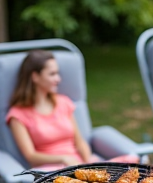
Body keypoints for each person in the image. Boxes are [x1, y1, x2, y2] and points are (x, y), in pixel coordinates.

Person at [6, 50, 139, 171]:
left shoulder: (63, 102)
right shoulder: (18, 114)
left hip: (79, 164)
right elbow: (31, 156)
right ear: (35, 77)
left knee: (134, 162)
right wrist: (63, 159)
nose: (58, 79)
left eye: (58, 73)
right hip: (50, 171)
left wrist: (87, 162)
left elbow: (79, 141)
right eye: (52, 74)